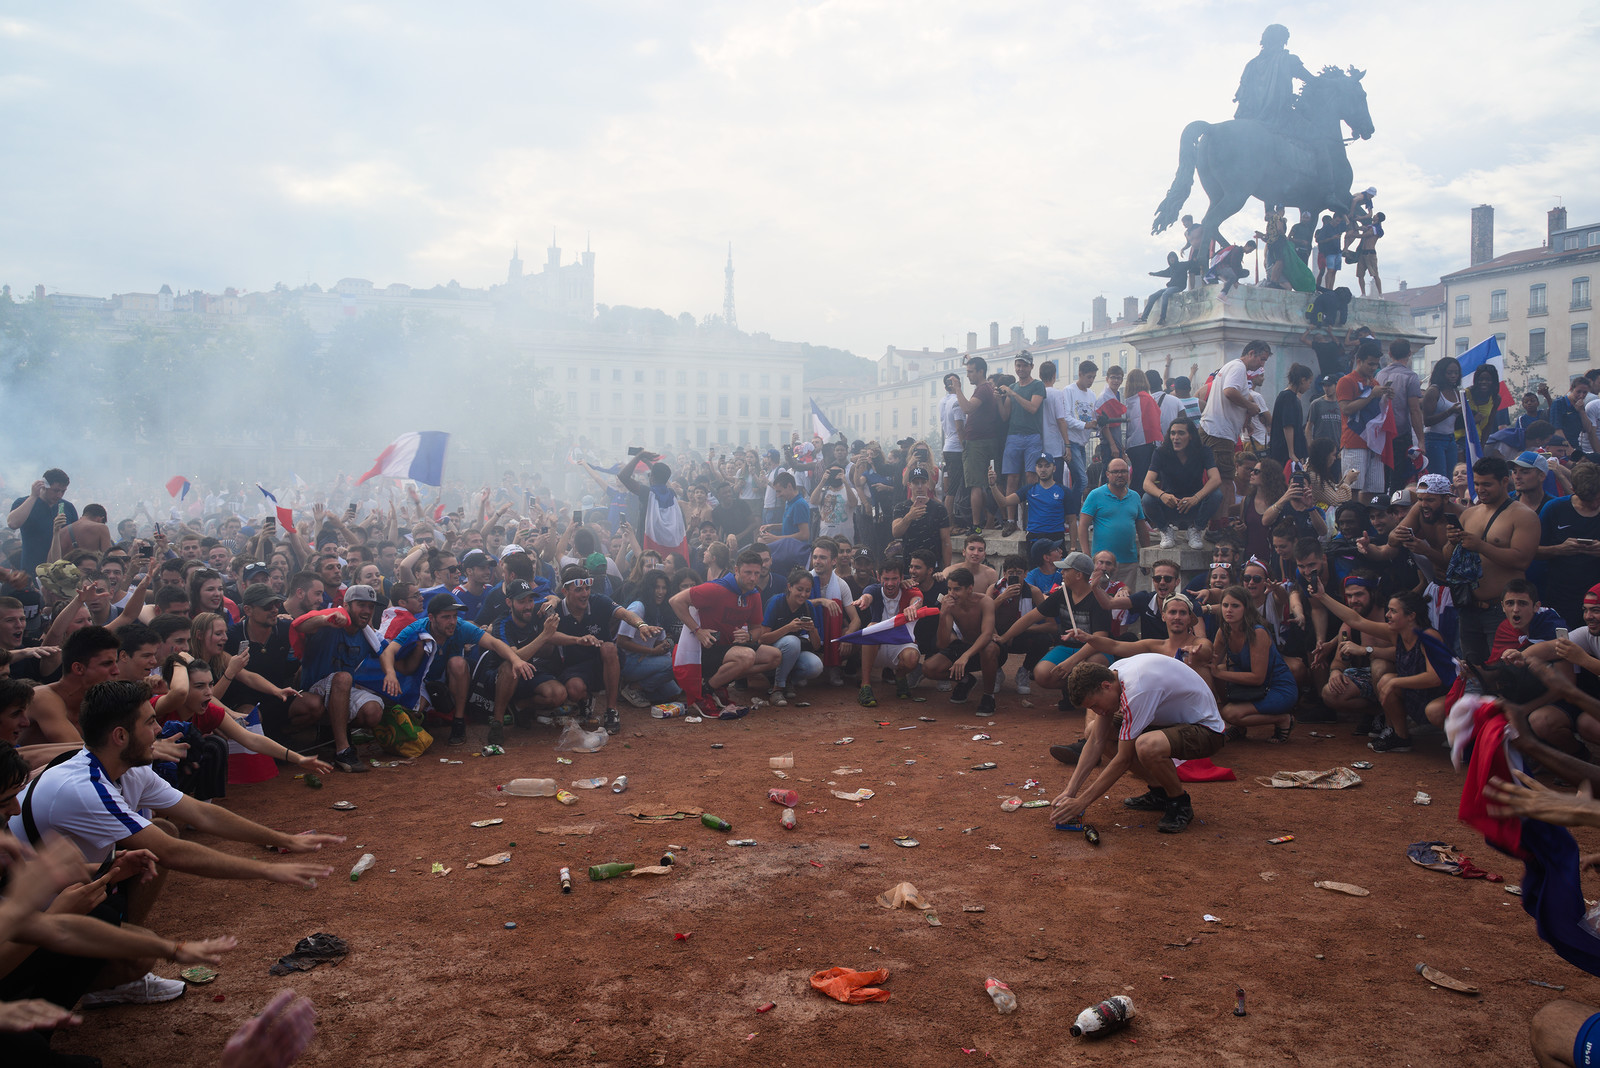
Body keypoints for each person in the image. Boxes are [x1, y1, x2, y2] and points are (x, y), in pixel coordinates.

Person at [7, 681, 337, 1006]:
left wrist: (283, 839)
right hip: (20, 928)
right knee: (140, 956)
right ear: (121, 736)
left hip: (74, 890)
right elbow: (172, 853)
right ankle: (43, 1005)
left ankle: (108, 955)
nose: (158, 730)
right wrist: (268, 871)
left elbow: (201, 814)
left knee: (161, 829)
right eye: (150, 722)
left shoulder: (122, 765)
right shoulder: (84, 787)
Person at [1048, 654, 1228, 834]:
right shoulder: (1113, 675)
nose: (1098, 711)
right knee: (1093, 730)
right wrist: (1070, 792)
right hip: (1170, 723)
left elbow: (1123, 759)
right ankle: (1160, 792)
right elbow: (1096, 740)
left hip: (1206, 730)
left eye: (1096, 705)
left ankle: (1178, 801)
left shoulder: (1138, 689)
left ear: (1106, 686)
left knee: (1147, 746)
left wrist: (1082, 802)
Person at [1309, 586, 1453, 753]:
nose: (1387, 615)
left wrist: (1395, 682)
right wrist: (1322, 596)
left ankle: (1466, 742)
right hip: (1417, 695)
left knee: (1396, 685)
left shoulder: (1428, 637)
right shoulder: (1396, 632)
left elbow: (1434, 678)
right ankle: (1400, 737)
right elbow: (1356, 621)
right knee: (1386, 680)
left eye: (1393, 611)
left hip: (1439, 696)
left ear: (1411, 616)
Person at [669, 551, 783, 716]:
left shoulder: (754, 594)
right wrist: (697, 630)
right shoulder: (717, 588)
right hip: (704, 651)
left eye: (756, 573)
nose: (752, 578)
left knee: (775, 656)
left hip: (729, 649)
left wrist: (750, 636)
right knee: (747, 656)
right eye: (748, 573)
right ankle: (706, 691)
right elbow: (675, 601)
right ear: (736, 570)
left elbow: (757, 629)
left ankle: (716, 683)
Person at [1451, 457, 1540, 665]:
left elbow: (1522, 560)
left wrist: (1481, 546)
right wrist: (1451, 542)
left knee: (1504, 672)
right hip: (1469, 608)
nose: (1481, 490)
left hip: (1501, 611)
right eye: (1478, 484)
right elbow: (1452, 558)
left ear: (1504, 482)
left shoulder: (1523, 516)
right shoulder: (1468, 515)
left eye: (1487, 484)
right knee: (1473, 672)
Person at [290, 584, 386, 770]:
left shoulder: (367, 634)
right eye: (361, 605)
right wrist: (325, 620)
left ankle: (332, 733)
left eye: (371, 606)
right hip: (313, 692)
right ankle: (343, 751)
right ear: (347, 605)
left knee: (373, 711)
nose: (367, 611)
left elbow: (388, 653)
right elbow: (299, 625)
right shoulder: (330, 621)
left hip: (341, 693)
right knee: (343, 678)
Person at [1209, 584, 1298, 742]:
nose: (1229, 610)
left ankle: (1283, 719)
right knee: (1215, 670)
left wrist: (1219, 673)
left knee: (1229, 713)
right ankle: (1240, 726)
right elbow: (1211, 662)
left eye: (1235, 606)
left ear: (1246, 608)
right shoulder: (1224, 631)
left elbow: (1257, 677)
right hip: (1253, 687)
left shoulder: (1258, 632)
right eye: (1225, 605)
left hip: (1277, 689)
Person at [1198, 340, 1273, 507]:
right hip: (1220, 432)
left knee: (1217, 478)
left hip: (1215, 429)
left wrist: (1246, 418)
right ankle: (1222, 523)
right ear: (1251, 353)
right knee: (1225, 480)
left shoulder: (1233, 367)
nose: (1262, 364)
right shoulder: (1239, 367)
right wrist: (1250, 406)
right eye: (1262, 359)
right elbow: (1229, 391)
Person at [847, 559, 926, 707]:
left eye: (894, 579)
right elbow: (867, 596)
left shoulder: (911, 590)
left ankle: (900, 677)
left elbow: (917, 600)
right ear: (878, 577)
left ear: (902, 578)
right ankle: (865, 686)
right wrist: (863, 600)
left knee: (912, 659)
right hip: (878, 646)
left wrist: (913, 607)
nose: (890, 583)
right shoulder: (873, 589)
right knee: (871, 627)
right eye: (886, 579)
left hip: (901, 643)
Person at [919, 566, 998, 706]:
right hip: (965, 648)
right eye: (949, 589)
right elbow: (942, 644)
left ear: (969, 589)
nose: (951, 594)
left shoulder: (985, 601)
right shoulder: (949, 605)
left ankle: (988, 696)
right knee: (928, 668)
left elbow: (987, 634)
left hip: (987, 649)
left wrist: (965, 656)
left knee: (990, 648)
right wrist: (943, 615)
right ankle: (966, 680)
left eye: (957, 589)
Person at [1142, 419, 1223, 550]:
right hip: (1170, 503)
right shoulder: (1161, 452)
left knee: (1216, 494)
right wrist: (1162, 495)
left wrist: (1196, 498)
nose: (1176, 438)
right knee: (1147, 498)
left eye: (1181, 433)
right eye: (1173, 433)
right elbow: (1147, 483)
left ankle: (1196, 529)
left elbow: (1216, 479)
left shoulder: (1203, 451)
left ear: (1191, 435)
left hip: (1194, 504)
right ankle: (1165, 530)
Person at [1539, 463, 1600, 630]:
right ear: (1573, 490)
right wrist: (1559, 549)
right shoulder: (1555, 508)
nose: (1594, 504)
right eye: (1587, 500)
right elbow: (1532, 551)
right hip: (1561, 596)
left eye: (1597, 497)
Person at [996, 352, 1047, 537]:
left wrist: (1012, 393)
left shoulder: (1037, 385)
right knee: (1012, 478)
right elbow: (1004, 416)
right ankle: (1011, 521)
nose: (1020, 369)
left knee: (1031, 476)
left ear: (1031, 366)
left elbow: (1033, 408)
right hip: (1014, 436)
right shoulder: (1012, 387)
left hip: (1032, 436)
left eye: (1024, 365)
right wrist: (998, 399)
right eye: (1018, 365)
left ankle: (1030, 517)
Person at [1336, 339, 1392, 505]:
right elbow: (1346, 409)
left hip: (1374, 443)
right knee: (1352, 488)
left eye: (1376, 364)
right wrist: (1372, 395)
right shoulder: (1346, 381)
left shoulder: (1374, 383)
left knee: (1373, 490)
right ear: (1358, 361)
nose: (1374, 368)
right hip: (1354, 441)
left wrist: (1385, 397)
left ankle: (1367, 520)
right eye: (1370, 364)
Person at [1077, 458, 1149, 587]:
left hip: (1128, 563)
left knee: (1124, 602)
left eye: (1123, 471)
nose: (1120, 475)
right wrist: (1087, 556)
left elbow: (1142, 529)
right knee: (1100, 601)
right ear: (1107, 474)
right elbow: (1082, 526)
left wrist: (1147, 558)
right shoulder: (1095, 495)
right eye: (1115, 471)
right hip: (1102, 563)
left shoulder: (1135, 496)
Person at [951, 356, 1002, 535]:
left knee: (976, 484)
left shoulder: (982, 390)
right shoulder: (988, 388)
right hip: (987, 440)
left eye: (971, 372)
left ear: (981, 371)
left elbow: (967, 408)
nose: (968, 376)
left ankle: (975, 525)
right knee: (988, 484)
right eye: (967, 372)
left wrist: (957, 389)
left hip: (977, 442)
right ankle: (988, 521)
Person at [762, 569, 825, 703]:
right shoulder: (776, 602)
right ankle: (777, 688)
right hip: (771, 652)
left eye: (807, 591)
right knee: (792, 641)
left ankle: (787, 681)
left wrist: (812, 629)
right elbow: (762, 639)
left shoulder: (808, 606)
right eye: (799, 589)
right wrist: (788, 628)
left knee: (816, 666)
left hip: (791, 652)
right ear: (789, 587)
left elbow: (816, 645)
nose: (803, 594)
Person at [988, 456, 1067, 563]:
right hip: (1034, 537)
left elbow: (1071, 521)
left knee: (1059, 574)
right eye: (1040, 466)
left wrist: (1073, 548)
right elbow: (1004, 502)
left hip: (1056, 537)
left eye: (1047, 466)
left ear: (1054, 468)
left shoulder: (1063, 490)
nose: (1043, 469)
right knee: (1034, 574)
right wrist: (993, 485)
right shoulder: (1029, 489)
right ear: (1036, 468)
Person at [7, 470, 77, 576]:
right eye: (55, 490)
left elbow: (75, 536)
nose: (59, 495)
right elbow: (13, 524)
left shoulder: (68, 507)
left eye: (63, 491)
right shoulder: (24, 502)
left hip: (60, 571)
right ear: (43, 486)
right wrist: (33, 496)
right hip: (31, 569)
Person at [1376, 339, 1424, 490]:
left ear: (1389, 354)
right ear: (1409, 354)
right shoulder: (1410, 376)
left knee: (1382, 476)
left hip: (1382, 432)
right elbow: (1414, 410)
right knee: (1399, 476)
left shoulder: (1379, 375)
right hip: (1401, 432)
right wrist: (1421, 440)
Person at [890, 468, 951, 569]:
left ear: (927, 484)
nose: (919, 486)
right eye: (916, 483)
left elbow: (946, 540)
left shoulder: (939, 508)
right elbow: (896, 533)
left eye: (923, 482)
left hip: (932, 564)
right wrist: (909, 516)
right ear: (909, 485)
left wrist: (947, 568)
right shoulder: (901, 508)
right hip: (909, 564)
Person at [937, 373, 968, 529]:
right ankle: (950, 524)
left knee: (951, 486)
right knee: (953, 489)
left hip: (947, 446)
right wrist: (965, 447)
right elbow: (959, 426)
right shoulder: (957, 402)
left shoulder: (943, 401)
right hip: (956, 448)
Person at [1268, 364, 1313, 468]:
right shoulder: (1288, 397)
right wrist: (1291, 453)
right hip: (1284, 452)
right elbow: (1288, 425)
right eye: (1309, 382)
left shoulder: (1292, 397)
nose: (1309, 386)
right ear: (1303, 380)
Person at [1137, 252, 1191, 326]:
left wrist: (1196, 260)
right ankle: (1144, 318)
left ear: (1175, 258)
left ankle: (1162, 318)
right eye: (1170, 258)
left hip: (1178, 287)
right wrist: (1154, 274)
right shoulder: (1171, 269)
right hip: (1170, 287)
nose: (1171, 259)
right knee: (1152, 296)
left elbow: (1192, 263)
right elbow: (1163, 272)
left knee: (1165, 295)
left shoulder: (1182, 265)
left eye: (1173, 257)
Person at [1552, 378, 1595, 464]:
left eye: (1585, 392)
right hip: (1562, 446)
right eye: (1578, 392)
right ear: (1572, 389)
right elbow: (1557, 429)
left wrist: (1581, 411)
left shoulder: (1582, 405)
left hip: (1576, 445)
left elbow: (1589, 429)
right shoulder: (1559, 403)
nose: (1581, 395)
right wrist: (1568, 448)